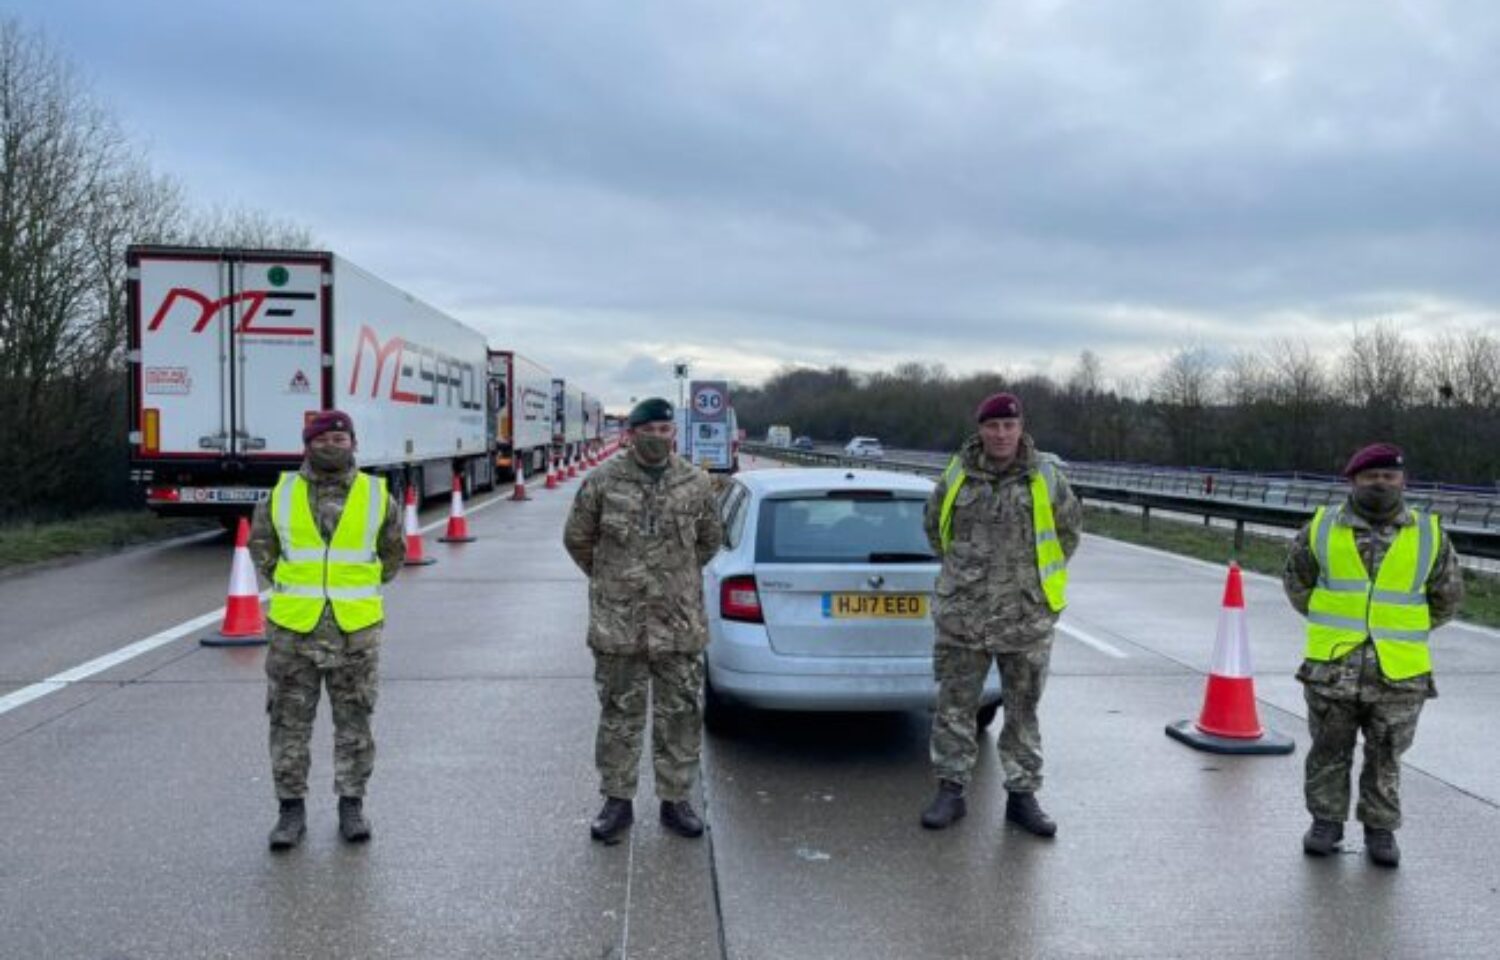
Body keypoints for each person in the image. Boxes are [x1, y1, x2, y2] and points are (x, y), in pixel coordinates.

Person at [1283, 442, 1463, 867]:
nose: (1380, 483)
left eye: (1389, 476)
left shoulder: (1429, 534)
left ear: (1403, 480)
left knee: (1386, 757)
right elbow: (1297, 582)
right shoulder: (1323, 527)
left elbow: (1447, 597)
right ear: (1353, 480)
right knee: (1328, 753)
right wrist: (1336, 623)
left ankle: (1381, 832)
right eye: (1371, 476)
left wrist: (1397, 630)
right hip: (1333, 668)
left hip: (1398, 673)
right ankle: (1326, 824)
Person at [919, 392, 1082, 836]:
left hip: (1025, 618)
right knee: (955, 709)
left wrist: (1028, 581)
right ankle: (950, 792)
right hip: (963, 617)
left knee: (1022, 711)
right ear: (981, 430)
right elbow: (935, 528)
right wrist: (966, 574)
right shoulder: (957, 473)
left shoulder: (1045, 476)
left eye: (1009, 426)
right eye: (993, 427)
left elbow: (1068, 532)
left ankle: (1022, 797)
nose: (1001, 434)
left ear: (1020, 427)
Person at [563, 397, 724, 844]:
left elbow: (710, 540)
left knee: (680, 715)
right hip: (620, 627)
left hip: (678, 626)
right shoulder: (603, 481)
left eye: (664, 430)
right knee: (619, 716)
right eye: (648, 429)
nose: (657, 437)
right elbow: (578, 538)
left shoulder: (695, 484)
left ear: (675, 434)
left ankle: (676, 802)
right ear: (631, 434)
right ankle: (617, 802)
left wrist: (675, 580)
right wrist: (613, 580)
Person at [249, 410, 404, 850]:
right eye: (323, 437)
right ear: (307, 444)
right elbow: (262, 548)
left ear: (354, 443)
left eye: (340, 436)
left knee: (354, 723)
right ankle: (290, 813)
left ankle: (351, 807)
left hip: (355, 633)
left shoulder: (377, 495)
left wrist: (350, 591)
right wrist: (301, 589)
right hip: (293, 632)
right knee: (288, 724)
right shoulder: (280, 495)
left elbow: (392, 555)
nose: (332, 443)